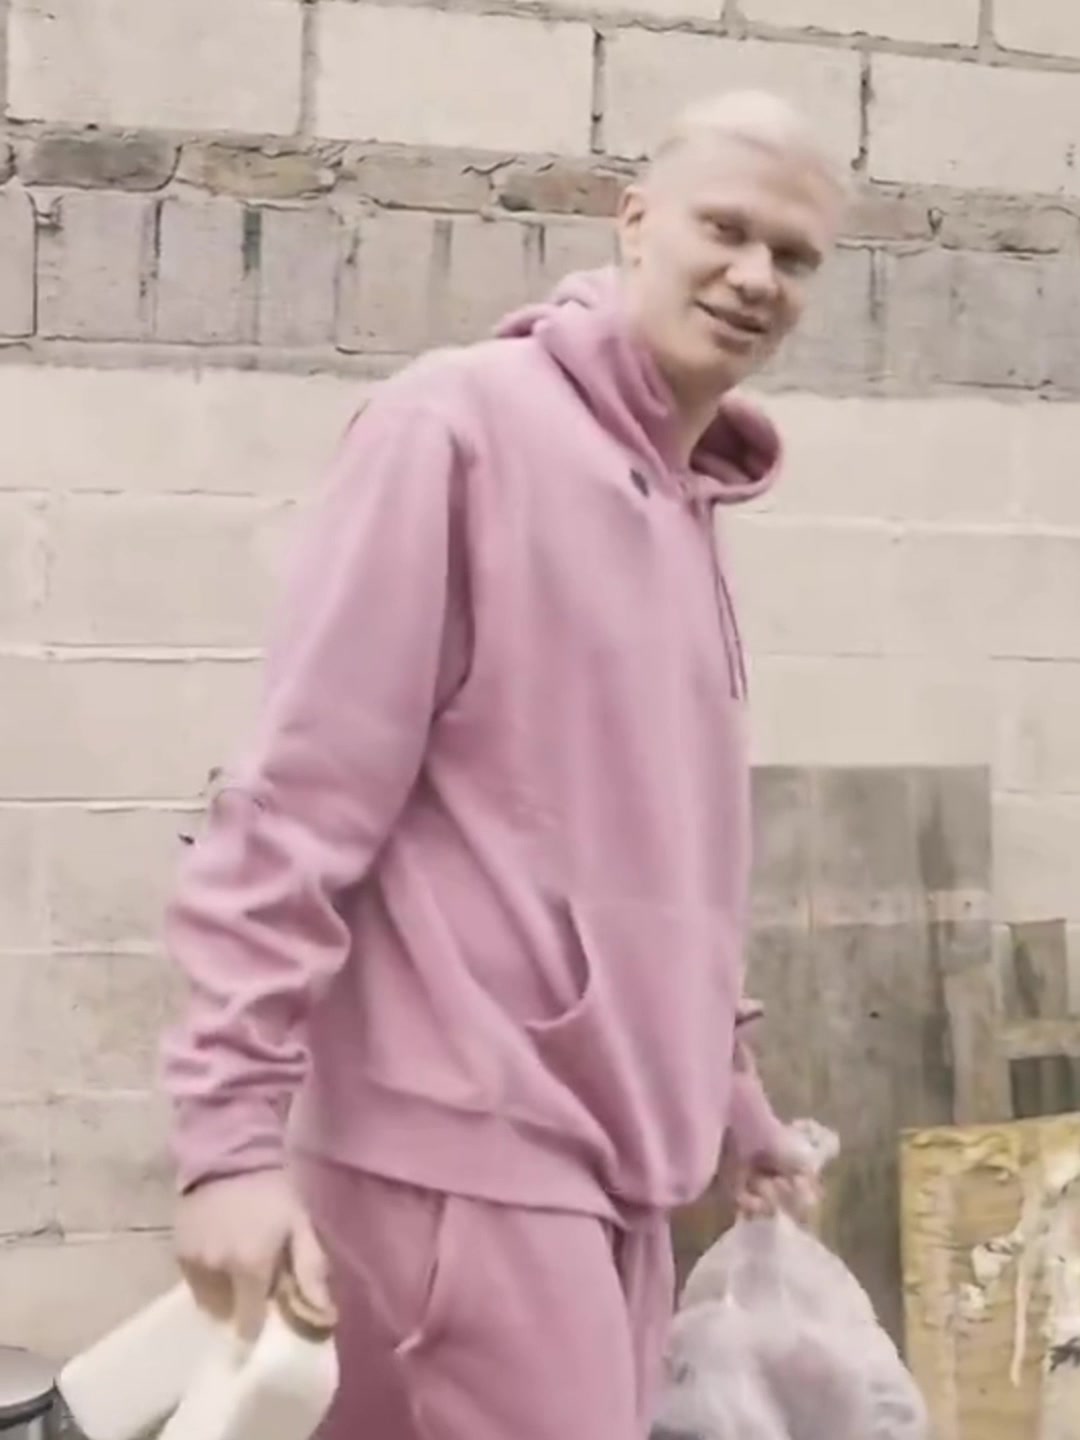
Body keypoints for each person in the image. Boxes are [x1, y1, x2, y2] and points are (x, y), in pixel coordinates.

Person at [161, 88, 847, 1440]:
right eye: (725, 228)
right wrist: (227, 1143)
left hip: (602, 1174)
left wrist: (728, 1095)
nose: (756, 276)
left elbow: (643, 853)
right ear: (635, 222)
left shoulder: (682, 497)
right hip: (463, 1153)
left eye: (795, 255)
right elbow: (295, 805)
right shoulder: (458, 427)